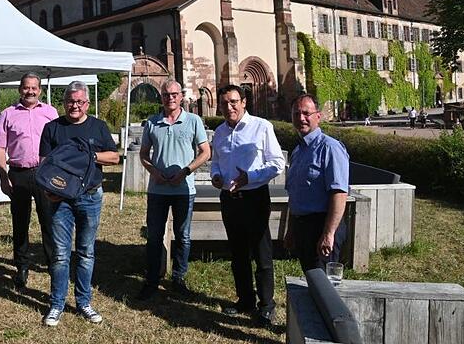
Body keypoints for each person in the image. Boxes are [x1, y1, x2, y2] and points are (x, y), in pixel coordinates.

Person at [39, 81, 119, 327]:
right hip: (60, 200)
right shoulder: (52, 128)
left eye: (79, 102)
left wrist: (89, 156)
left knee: (86, 252)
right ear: (64, 103)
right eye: (70, 101)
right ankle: (56, 304)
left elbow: (114, 157)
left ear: (87, 103)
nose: (74, 105)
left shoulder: (98, 127)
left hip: (90, 197)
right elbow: (43, 163)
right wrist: (50, 191)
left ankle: (84, 302)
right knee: (61, 255)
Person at [210, 85, 285, 326]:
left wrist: (248, 177)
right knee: (238, 254)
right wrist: (216, 176)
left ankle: (266, 305)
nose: (228, 107)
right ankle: (245, 299)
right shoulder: (219, 132)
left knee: (262, 254)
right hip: (229, 200)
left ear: (244, 102)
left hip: (254, 198)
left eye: (233, 102)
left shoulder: (261, 127)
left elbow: (277, 164)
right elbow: (216, 162)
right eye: (224, 103)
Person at [137, 80, 211, 300]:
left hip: (183, 188)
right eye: (166, 94)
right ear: (161, 97)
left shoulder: (193, 121)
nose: (170, 98)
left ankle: (178, 278)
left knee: (183, 236)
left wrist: (186, 171)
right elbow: (143, 154)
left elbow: (205, 152)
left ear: (181, 96)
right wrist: (154, 171)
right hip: (158, 189)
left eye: (174, 94)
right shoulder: (152, 123)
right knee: (154, 235)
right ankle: (152, 279)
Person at [0, 72, 58, 289]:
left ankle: (53, 264)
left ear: (40, 90)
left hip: (44, 173)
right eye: (26, 87)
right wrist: (3, 177)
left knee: (48, 220)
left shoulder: (50, 112)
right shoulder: (8, 114)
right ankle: (21, 266)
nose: (30, 91)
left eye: (34, 88)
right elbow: (0, 146)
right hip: (18, 174)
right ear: (20, 89)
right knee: (20, 223)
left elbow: (58, 144)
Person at [284, 94, 350, 273]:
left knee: (325, 287)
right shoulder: (298, 152)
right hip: (302, 227)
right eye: (296, 114)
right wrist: (291, 230)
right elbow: (295, 194)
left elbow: (339, 194)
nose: (301, 118)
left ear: (318, 116)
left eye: (306, 113)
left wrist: (329, 234)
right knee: (311, 282)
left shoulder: (330, 148)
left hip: (322, 226)